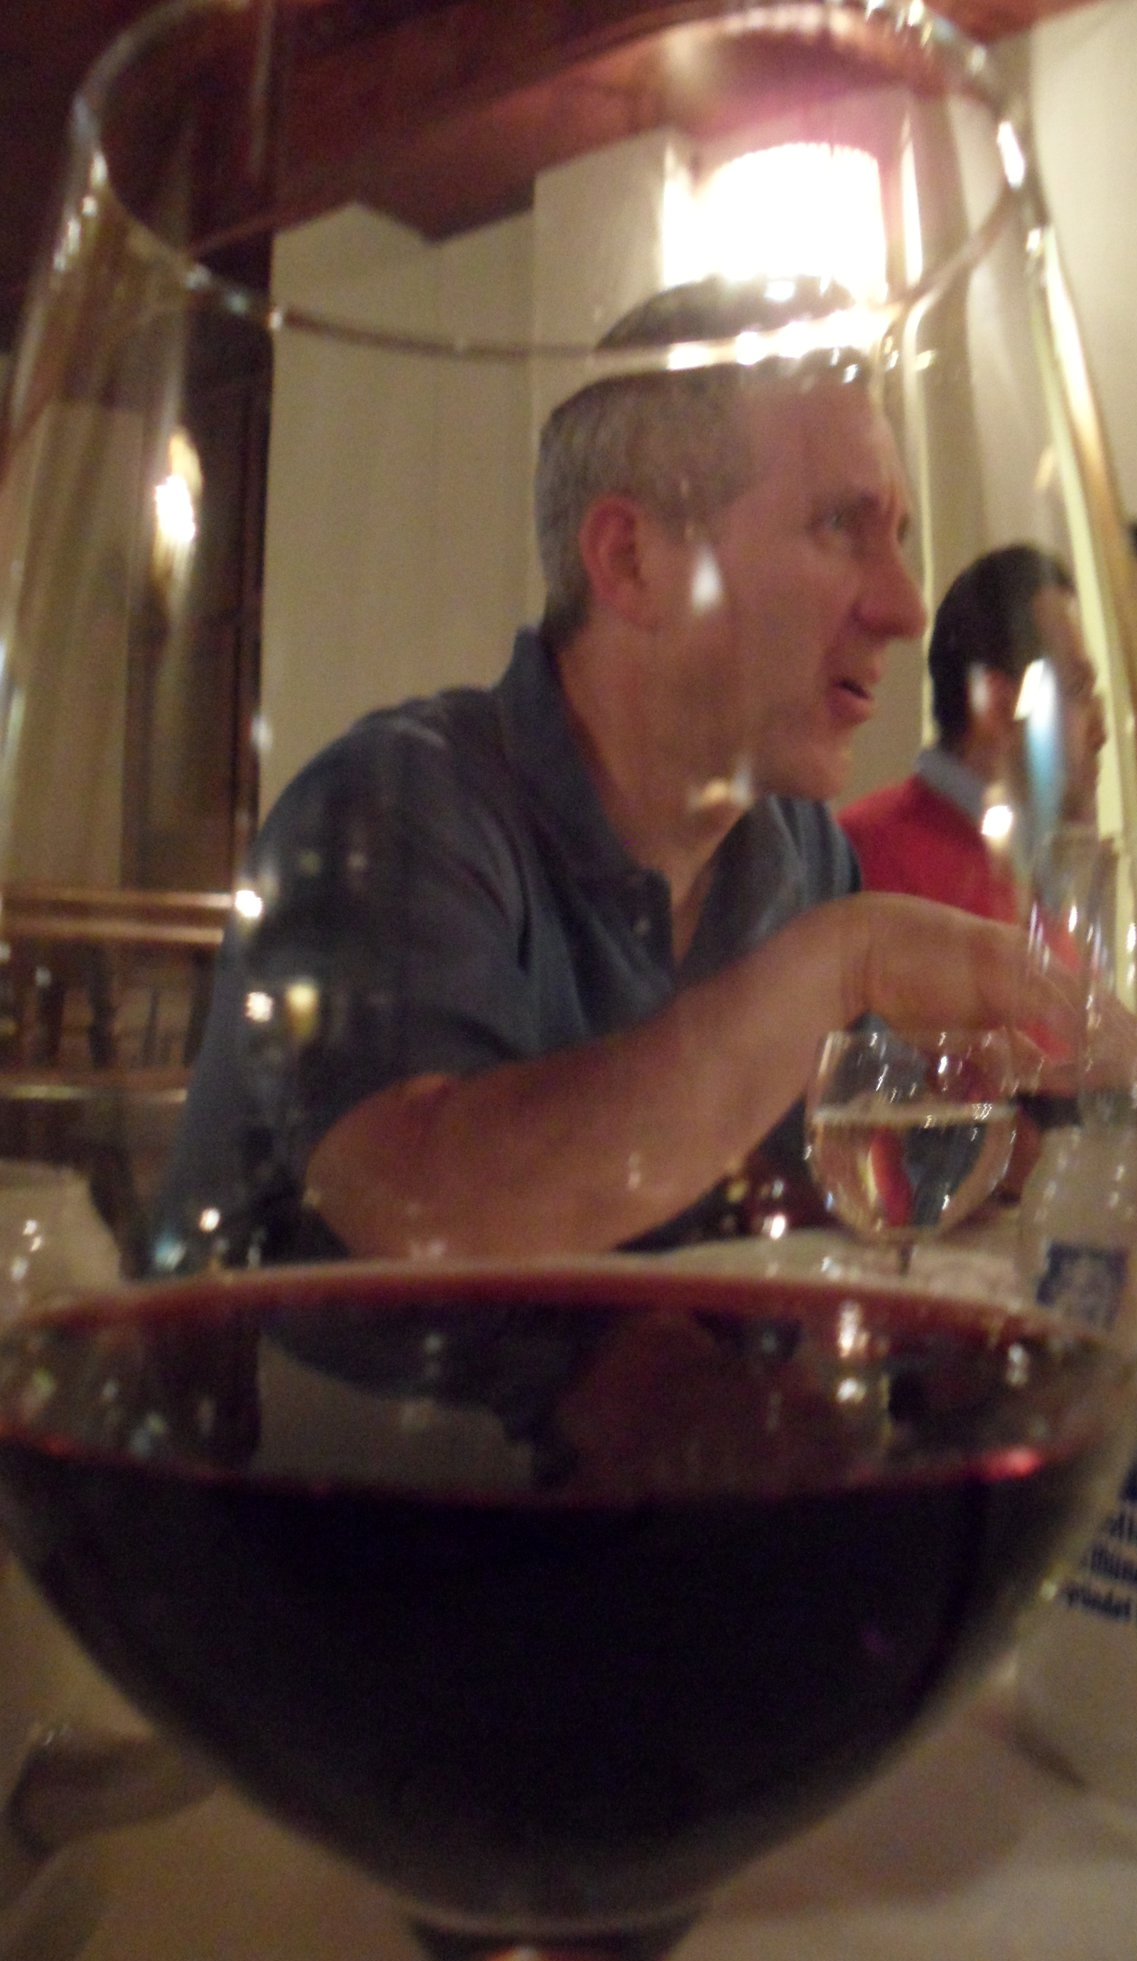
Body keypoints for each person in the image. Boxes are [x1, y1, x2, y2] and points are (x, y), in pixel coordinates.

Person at [155, 282, 1071, 1272]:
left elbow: (860, 1166)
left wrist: (1074, 1140)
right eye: (840, 527)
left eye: (896, 538)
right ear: (631, 561)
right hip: (276, 1381)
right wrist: (845, 961)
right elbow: (431, 1206)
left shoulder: (800, 850)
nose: (905, 607)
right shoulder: (391, 808)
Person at [839, 543, 1107, 922]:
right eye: (1078, 688)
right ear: (996, 706)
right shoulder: (868, 864)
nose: (1101, 732)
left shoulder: (1029, 871)